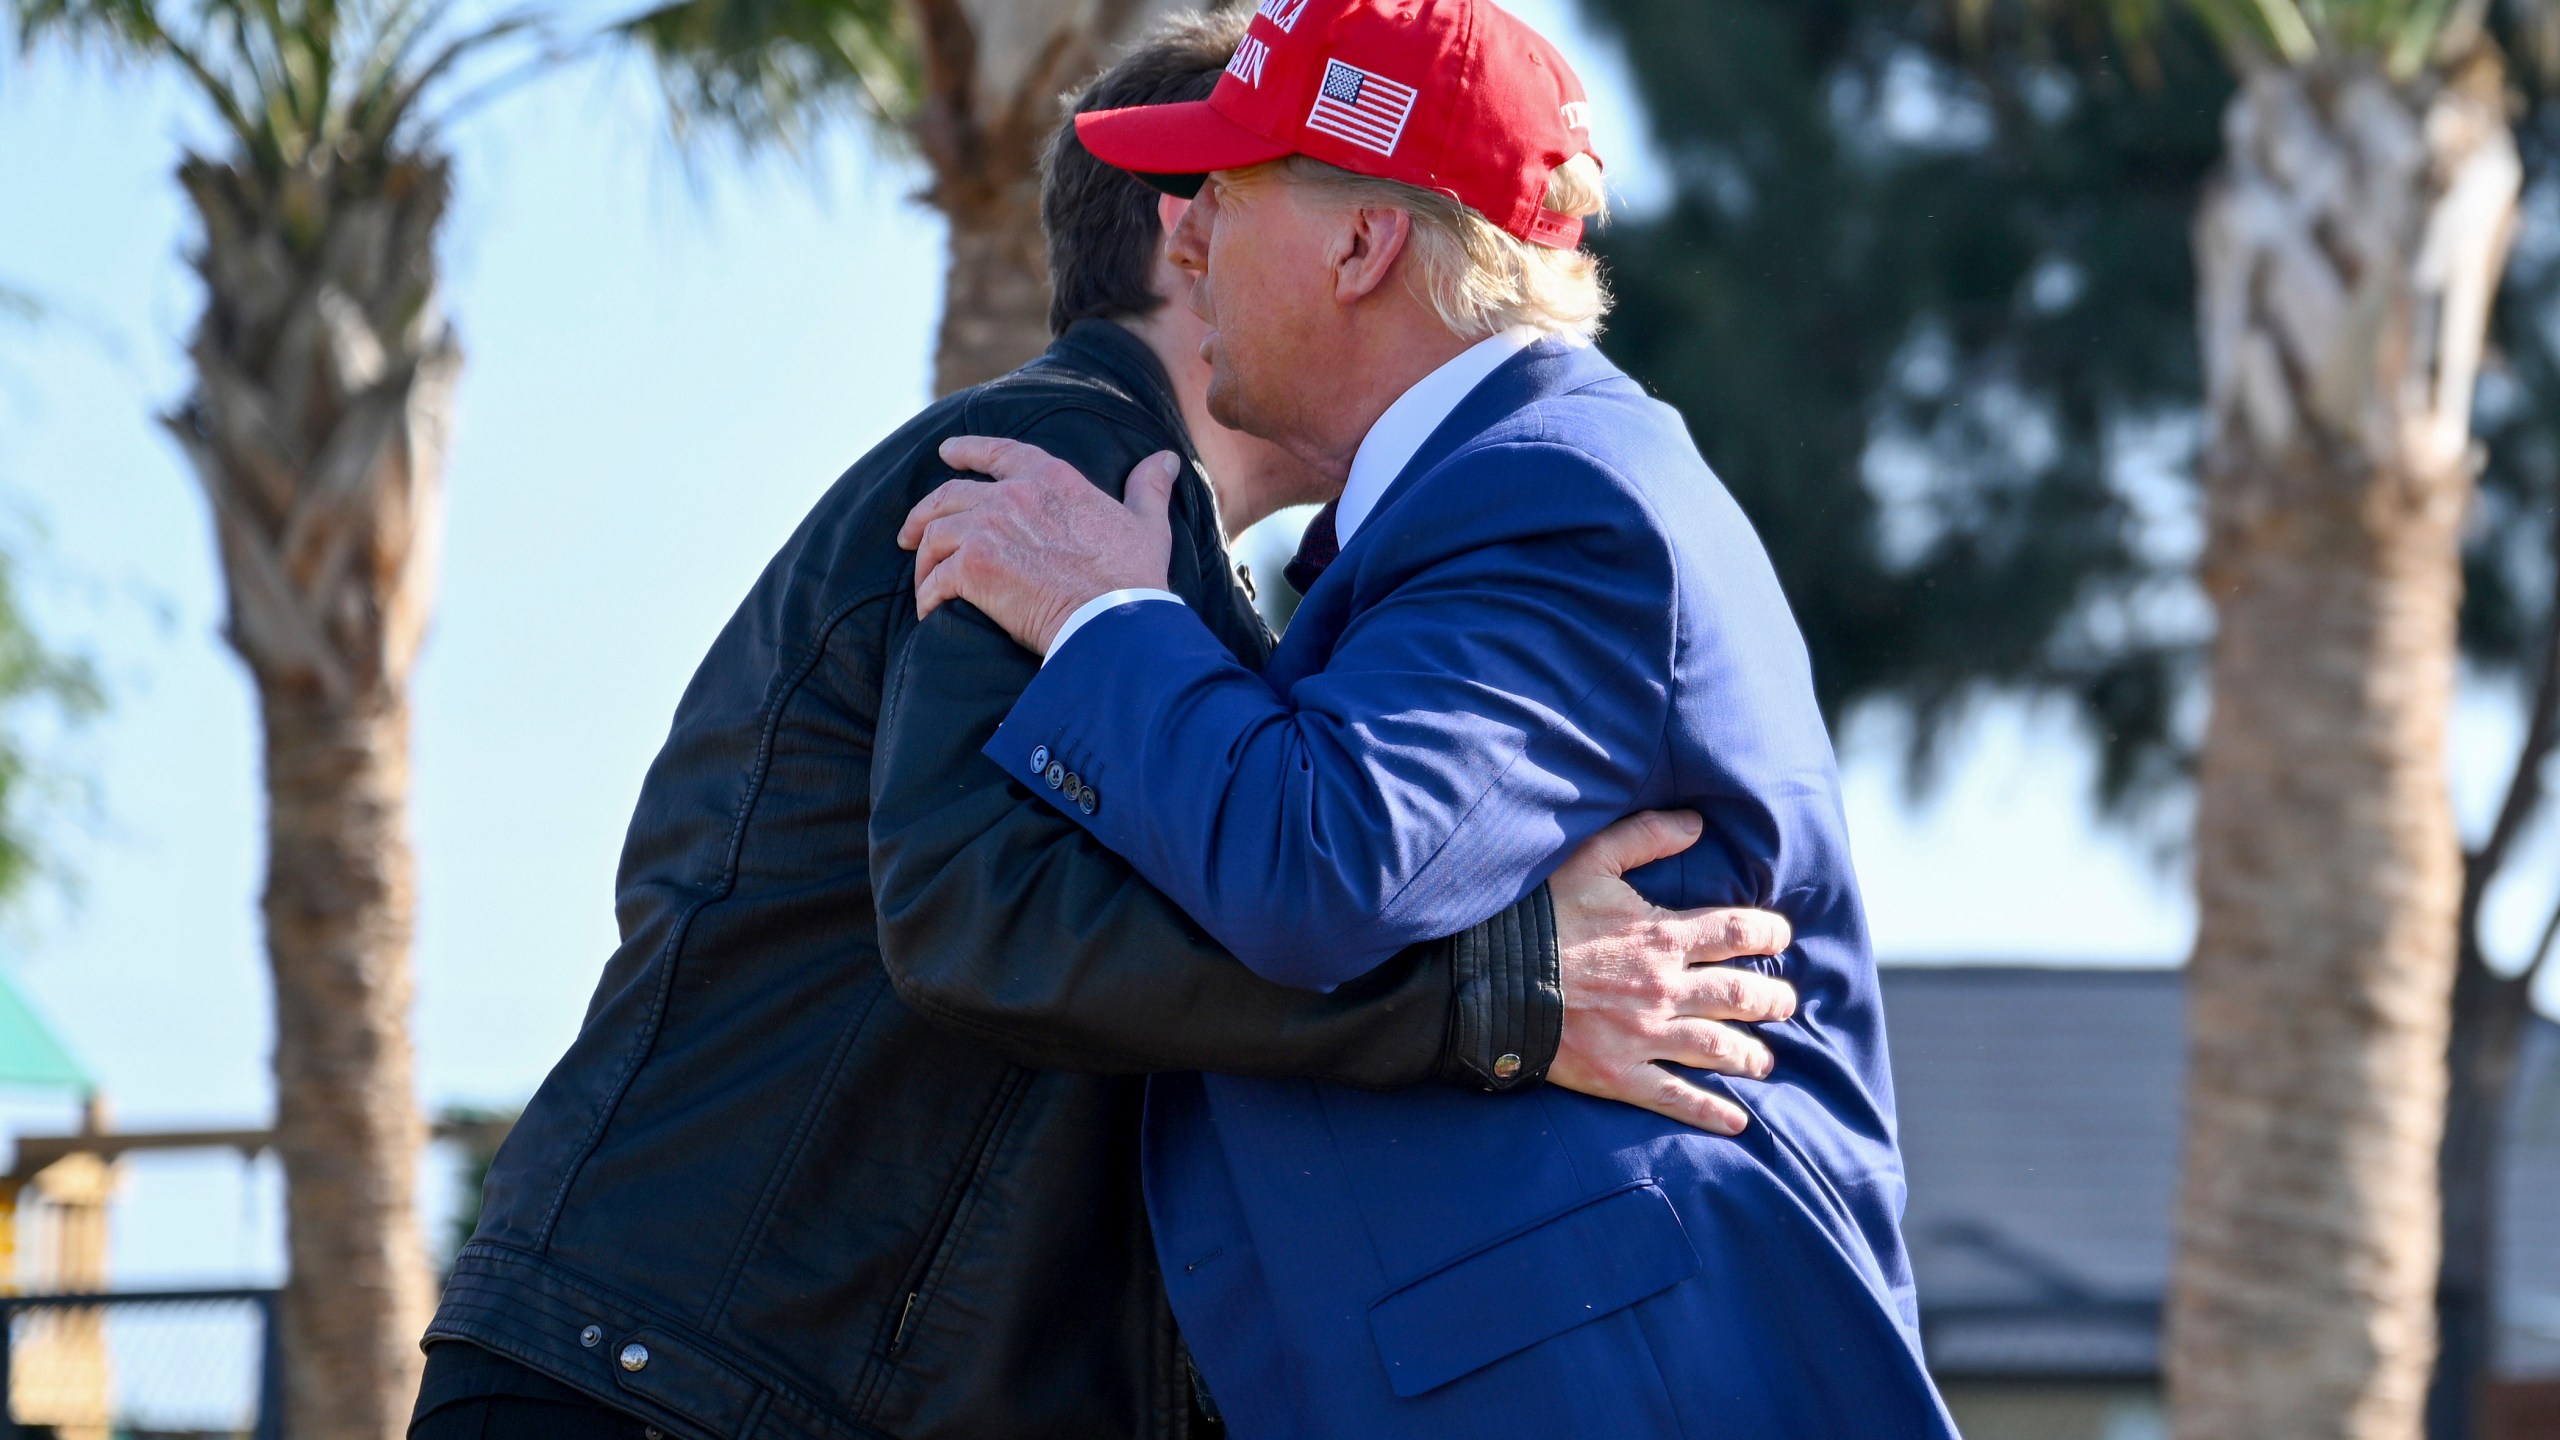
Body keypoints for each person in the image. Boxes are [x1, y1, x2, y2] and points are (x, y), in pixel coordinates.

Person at [409, 14, 1801, 1440]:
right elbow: (983, 919)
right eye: (1208, 198)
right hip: (672, 1393)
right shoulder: (1051, 470)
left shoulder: (1170, 579)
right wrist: (1495, 997)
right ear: (1181, 241)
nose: (1211, 233)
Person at [897, 0, 1962, 1434]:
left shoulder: (1561, 493)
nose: (1189, 239)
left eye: (1226, 187)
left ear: (1360, 244)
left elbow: (1321, 865)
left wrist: (1102, 612)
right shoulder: (1489, 496)